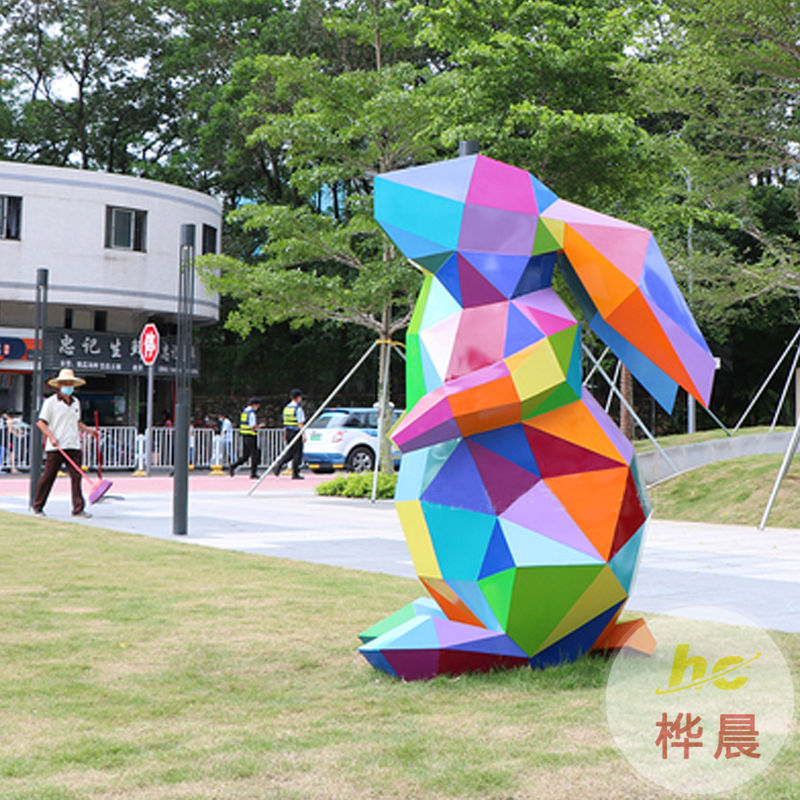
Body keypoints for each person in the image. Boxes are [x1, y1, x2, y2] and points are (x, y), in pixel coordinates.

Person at [31, 368, 100, 517]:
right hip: (56, 447)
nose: (68, 386)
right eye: (65, 383)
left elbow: (77, 422)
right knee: (49, 476)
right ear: (59, 385)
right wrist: (51, 436)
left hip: (73, 444)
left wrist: (89, 431)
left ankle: (78, 508)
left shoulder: (76, 402)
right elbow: (41, 423)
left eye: (71, 383)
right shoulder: (50, 403)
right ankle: (37, 505)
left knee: (76, 476)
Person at [274, 388, 306, 479]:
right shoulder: (298, 409)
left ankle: (279, 464)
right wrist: (304, 434)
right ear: (298, 397)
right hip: (296, 432)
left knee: (291, 452)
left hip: (288, 431)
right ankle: (295, 473)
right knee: (297, 453)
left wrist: (285, 434)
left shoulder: (287, 408)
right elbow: (301, 423)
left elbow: (285, 422)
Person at [230, 397, 262, 478]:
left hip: (244, 435)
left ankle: (233, 466)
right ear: (255, 405)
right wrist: (260, 426)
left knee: (245, 456)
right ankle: (253, 473)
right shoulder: (251, 414)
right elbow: (252, 426)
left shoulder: (244, 412)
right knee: (255, 454)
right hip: (251, 435)